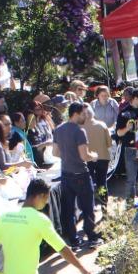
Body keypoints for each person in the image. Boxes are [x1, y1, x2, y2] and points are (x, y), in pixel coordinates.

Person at [52, 102, 101, 249]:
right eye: (83, 114)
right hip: (81, 174)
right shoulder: (79, 131)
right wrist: (94, 156)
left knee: (69, 210)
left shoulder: (58, 129)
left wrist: (68, 157)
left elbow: (55, 153)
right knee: (87, 208)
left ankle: (73, 241)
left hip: (66, 174)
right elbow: (84, 156)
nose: (85, 116)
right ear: (76, 114)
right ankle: (91, 237)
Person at [115, 88, 138, 202]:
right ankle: (129, 205)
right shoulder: (124, 112)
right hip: (130, 149)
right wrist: (127, 128)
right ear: (136, 99)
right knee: (131, 179)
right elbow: (118, 133)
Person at [82, 110, 112, 206]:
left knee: (88, 183)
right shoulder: (102, 124)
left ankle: (90, 205)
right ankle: (104, 203)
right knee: (102, 182)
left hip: (88, 158)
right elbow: (109, 143)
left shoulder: (80, 128)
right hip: (103, 157)